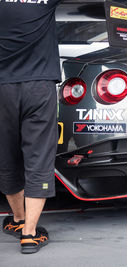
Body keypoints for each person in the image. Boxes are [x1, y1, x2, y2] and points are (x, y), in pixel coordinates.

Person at [0, 0, 61, 254]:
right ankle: (29, 234)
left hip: (3, 87)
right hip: (40, 87)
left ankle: (18, 219)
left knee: (6, 157)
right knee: (39, 159)